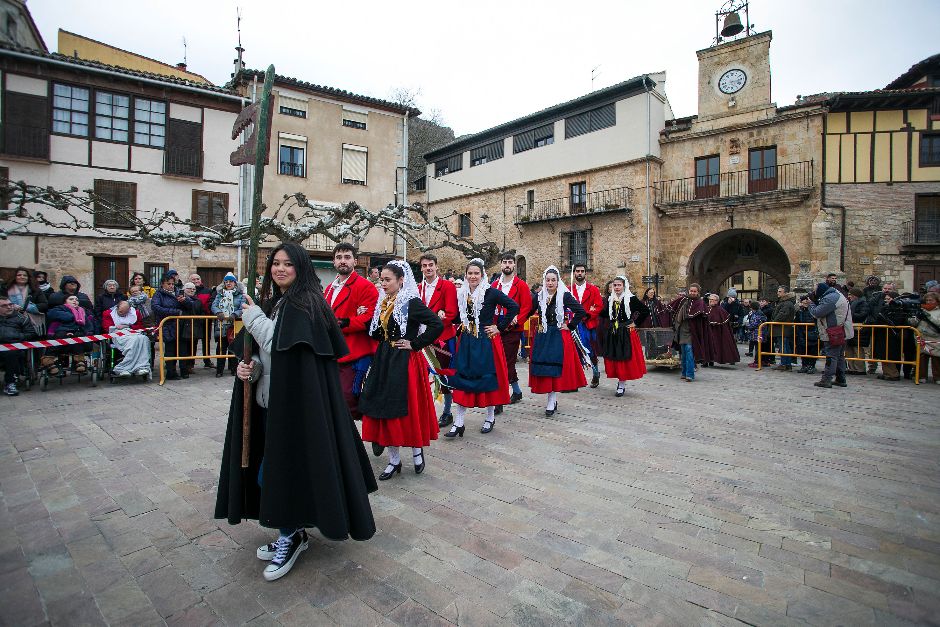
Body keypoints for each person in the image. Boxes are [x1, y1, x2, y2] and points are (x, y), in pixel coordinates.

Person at [216, 242, 377, 582]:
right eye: (276, 263)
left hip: (298, 409)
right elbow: (266, 354)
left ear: (301, 267)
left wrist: (252, 316)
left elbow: (278, 343)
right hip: (271, 403)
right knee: (275, 471)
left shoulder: (306, 306)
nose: (280, 269)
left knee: (278, 474)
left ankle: (289, 535)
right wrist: (250, 369)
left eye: (288, 264)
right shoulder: (276, 303)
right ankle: (293, 531)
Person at [359, 261, 443, 479]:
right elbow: (377, 333)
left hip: (404, 361)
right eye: (382, 280)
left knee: (406, 408)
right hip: (384, 359)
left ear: (401, 280)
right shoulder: (383, 302)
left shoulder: (411, 302)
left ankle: (416, 451)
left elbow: (436, 324)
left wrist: (415, 343)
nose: (383, 284)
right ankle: (393, 460)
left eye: (388, 280)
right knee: (384, 406)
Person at [444, 258, 519, 437]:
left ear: (482, 274)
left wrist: (499, 327)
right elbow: (457, 317)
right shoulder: (461, 293)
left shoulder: (490, 292)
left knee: (487, 378)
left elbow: (513, 307)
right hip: (467, 340)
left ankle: (490, 417)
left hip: (486, 342)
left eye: (476, 273)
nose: (473, 276)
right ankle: (459, 422)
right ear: (466, 275)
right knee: (463, 379)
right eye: (470, 273)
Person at [323, 243, 378, 427]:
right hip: (332, 352)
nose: (342, 261)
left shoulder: (366, 286)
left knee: (349, 398)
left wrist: (342, 323)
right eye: (339, 257)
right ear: (333, 262)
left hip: (355, 351)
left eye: (347, 257)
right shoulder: (329, 288)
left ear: (355, 261)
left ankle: (373, 425)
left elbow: (369, 319)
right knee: (332, 399)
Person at [529, 266, 586, 415]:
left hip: (557, 336)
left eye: (553, 280)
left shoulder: (564, 295)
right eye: (547, 280)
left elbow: (580, 311)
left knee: (554, 368)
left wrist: (570, 325)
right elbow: (528, 311)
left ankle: (551, 399)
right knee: (545, 369)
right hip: (542, 335)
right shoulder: (539, 296)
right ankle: (551, 399)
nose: (550, 283)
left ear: (557, 281)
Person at [416, 253, 459, 428]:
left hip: (442, 340)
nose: (428, 268)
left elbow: (450, 314)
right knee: (423, 377)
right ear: (421, 268)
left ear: (437, 266)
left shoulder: (447, 286)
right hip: (422, 341)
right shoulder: (418, 288)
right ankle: (425, 411)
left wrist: (434, 319)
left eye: (431, 265)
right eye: (424, 265)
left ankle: (447, 412)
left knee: (444, 377)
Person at [491, 253, 532, 414]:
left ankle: (499, 399)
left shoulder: (521, 285)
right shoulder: (494, 285)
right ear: (500, 265)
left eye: (510, 262)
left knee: (505, 363)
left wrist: (517, 318)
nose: (507, 265)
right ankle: (516, 391)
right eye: (504, 262)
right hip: (496, 328)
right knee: (498, 362)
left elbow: (527, 307)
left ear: (514, 265)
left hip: (512, 330)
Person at [598, 276, 649, 396]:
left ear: (624, 286)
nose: (616, 287)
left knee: (624, 357)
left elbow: (645, 311)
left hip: (626, 332)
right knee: (615, 357)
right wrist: (594, 309)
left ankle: (621, 384)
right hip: (614, 332)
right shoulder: (611, 299)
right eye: (614, 285)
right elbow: (606, 314)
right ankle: (620, 381)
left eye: (618, 285)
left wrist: (635, 323)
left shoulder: (631, 299)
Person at [809, 282, 853, 389]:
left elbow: (817, 313)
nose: (814, 292)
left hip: (834, 332)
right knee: (839, 356)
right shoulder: (836, 294)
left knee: (831, 356)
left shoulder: (830, 298)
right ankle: (840, 378)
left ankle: (827, 379)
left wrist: (811, 303)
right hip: (841, 330)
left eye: (815, 290)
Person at [570, 263, 603, 388]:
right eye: (577, 271)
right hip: (573, 325)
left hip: (588, 324)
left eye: (582, 271)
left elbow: (598, 306)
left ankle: (595, 372)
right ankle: (575, 378)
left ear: (585, 273)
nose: (579, 273)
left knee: (590, 350)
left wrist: (585, 315)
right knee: (573, 351)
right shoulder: (569, 289)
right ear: (574, 273)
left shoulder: (593, 289)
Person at [153, 273, 191, 381]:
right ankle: (171, 372)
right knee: (170, 349)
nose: (171, 286)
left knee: (183, 349)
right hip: (167, 325)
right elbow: (156, 308)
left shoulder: (179, 292)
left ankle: (184, 370)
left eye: (172, 283)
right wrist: (175, 312)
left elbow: (191, 305)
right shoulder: (158, 294)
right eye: (168, 284)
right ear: (162, 284)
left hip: (181, 325)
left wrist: (185, 301)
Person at [45, 294, 95, 374]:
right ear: (65, 301)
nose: (75, 301)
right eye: (71, 299)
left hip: (77, 333)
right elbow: (51, 314)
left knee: (78, 336)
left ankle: (79, 362)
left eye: (76, 299)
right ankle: (49, 362)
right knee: (60, 336)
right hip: (62, 332)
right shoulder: (59, 308)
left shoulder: (83, 311)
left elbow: (89, 325)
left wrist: (87, 333)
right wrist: (72, 315)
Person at [668, 284, 707, 382]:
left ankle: (690, 374)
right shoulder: (683, 300)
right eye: (691, 291)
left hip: (692, 331)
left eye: (695, 291)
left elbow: (703, 316)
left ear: (698, 292)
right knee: (683, 353)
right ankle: (684, 373)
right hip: (682, 330)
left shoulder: (700, 302)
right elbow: (673, 309)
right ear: (688, 291)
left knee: (689, 351)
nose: (693, 293)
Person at [102, 300, 150, 378]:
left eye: (126, 312)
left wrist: (129, 326)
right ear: (117, 308)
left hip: (133, 332)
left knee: (144, 339)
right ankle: (123, 368)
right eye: (121, 312)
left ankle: (142, 366)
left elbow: (140, 326)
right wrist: (117, 327)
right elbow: (107, 327)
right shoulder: (108, 313)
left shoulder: (135, 313)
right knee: (133, 341)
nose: (123, 314)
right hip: (118, 334)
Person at [0, 295, 37, 395]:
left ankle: (10, 383)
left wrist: (16, 337)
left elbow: (31, 333)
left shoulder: (21, 318)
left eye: (10, 304)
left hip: (14, 347)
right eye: (4, 305)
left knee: (11, 353)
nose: (9, 307)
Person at [211, 273, 246, 378]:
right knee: (221, 347)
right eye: (226, 281)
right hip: (222, 325)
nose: (228, 283)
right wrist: (218, 312)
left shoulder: (240, 295)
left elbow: (242, 307)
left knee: (234, 347)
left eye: (230, 281)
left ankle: (234, 369)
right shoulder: (220, 294)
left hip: (234, 324)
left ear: (235, 283)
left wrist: (235, 314)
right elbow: (214, 305)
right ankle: (219, 370)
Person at [871, 290, 908, 382]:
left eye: (889, 299)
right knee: (884, 355)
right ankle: (886, 373)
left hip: (891, 336)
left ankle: (893, 374)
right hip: (883, 335)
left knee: (890, 355)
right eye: (886, 298)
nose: (886, 300)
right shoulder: (885, 308)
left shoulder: (898, 309)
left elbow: (897, 322)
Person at [704, 293, 740, 366]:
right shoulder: (706, 308)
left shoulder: (720, 310)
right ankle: (708, 361)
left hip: (717, 332)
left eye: (713, 300)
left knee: (716, 346)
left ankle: (711, 360)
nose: (711, 301)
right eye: (710, 300)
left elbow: (719, 320)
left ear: (717, 301)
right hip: (707, 331)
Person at [912, 292, 940, 383]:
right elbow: (913, 323)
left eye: (931, 300)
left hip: (935, 338)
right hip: (922, 337)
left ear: (936, 301)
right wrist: (915, 318)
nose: (928, 302)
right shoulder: (921, 309)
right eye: (927, 300)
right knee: (922, 357)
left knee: (936, 358)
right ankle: (921, 376)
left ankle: (937, 377)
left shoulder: (938, 311)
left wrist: (928, 316)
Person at [189, 274, 215, 369]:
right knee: (193, 341)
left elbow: (210, 302)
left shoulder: (208, 291)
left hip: (205, 319)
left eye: (197, 279)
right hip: (193, 320)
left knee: (206, 341)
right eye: (193, 279)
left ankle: (207, 360)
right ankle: (191, 363)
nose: (196, 281)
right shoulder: (188, 291)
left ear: (201, 280)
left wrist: (206, 310)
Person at [178, 282, 204, 375]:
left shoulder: (197, 300)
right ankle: (184, 368)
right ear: (184, 289)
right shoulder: (179, 299)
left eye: (193, 289)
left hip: (194, 327)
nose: (192, 290)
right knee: (183, 349)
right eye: (189, 288)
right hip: (182, 327)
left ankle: (190, 366)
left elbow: (198, 311)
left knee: (193, 348)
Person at [845, 288, 871, 375]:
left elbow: (862, 315)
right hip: (850, 328)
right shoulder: (851, 303)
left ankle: (860, 369)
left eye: (850, 295)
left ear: (854, 296)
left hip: (858, 329)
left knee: (857, 349)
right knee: (849, 349)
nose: (848, 297)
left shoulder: (863, 303)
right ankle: (852, 368)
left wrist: (849, 315)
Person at [771, 286, 796, 371]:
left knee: (784, 347)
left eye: (780, 291)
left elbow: (782, 314)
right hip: (782, 328)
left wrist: (774, 321)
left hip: (782, 328)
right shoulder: (785, 302)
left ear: (785, 293)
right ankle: (786, 364)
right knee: (784, 347)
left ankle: (785, 364)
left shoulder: (787, 303)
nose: (778, 293)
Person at [794, 295, 819, 375]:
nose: (805, 302)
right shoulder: (799, 311)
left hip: (812, 332)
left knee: (812, 350)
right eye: (803, 301)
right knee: (803, 350)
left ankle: (812, 365)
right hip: (802, 332)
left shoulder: (813, 309)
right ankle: (804, 365)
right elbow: (796, 321)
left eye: (806, 301)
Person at [746, 300, 767, 368]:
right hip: (758, 333)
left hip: (758, 333)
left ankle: (757, 361)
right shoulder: (757, 313)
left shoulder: (757, 314)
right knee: (758, 347)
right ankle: (759, 361)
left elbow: (755, 323)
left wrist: (748, 326)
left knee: (758, 348)